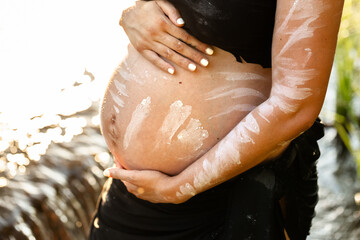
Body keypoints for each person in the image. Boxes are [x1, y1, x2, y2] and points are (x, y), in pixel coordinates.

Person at [89, 0, 344, 239]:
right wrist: (135, 12)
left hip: (225, 198)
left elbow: (296, 105)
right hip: (131, 187)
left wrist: (178, 189)